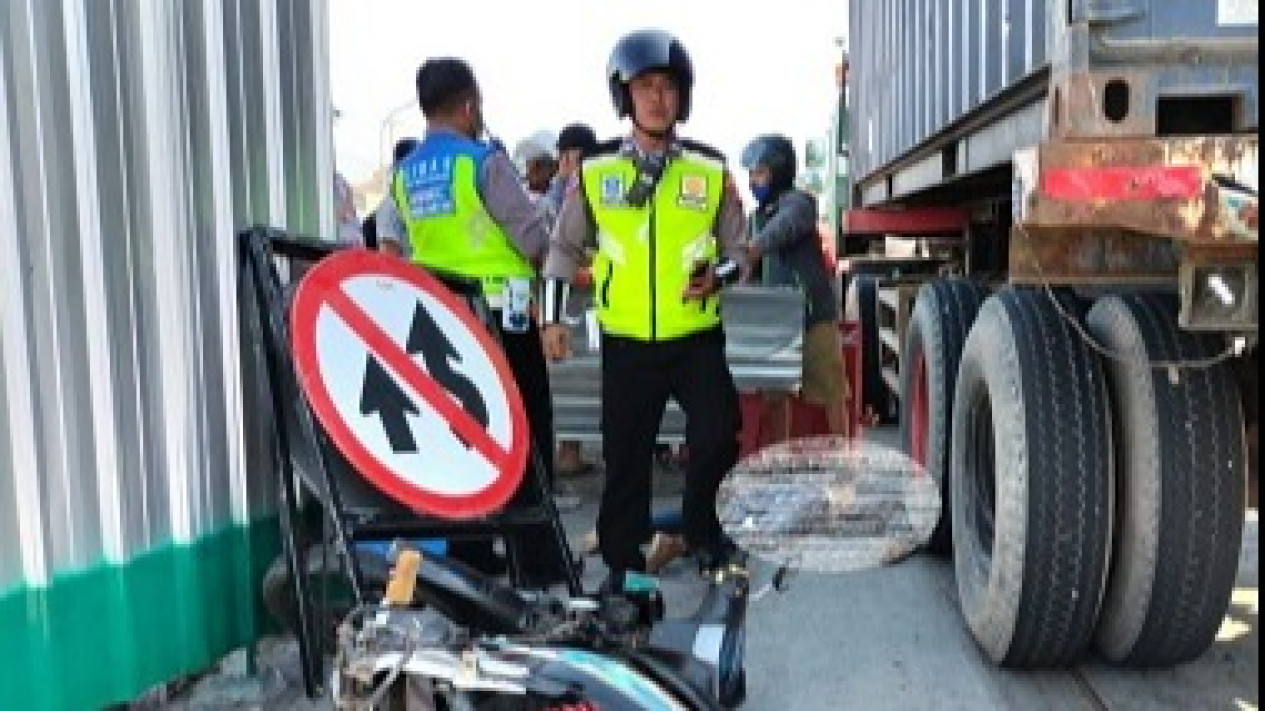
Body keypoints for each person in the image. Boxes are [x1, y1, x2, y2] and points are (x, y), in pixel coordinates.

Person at [540, 29, 749, 593]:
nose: (658, 98)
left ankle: (704, 534)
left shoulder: (709, 171)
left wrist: (718, 277)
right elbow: (562, 249)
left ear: (684, 96)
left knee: (717, 435)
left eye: (669, 87)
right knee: (625, 456)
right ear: (624, 96)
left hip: (695, 338)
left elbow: (739, 253)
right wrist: (552, 318)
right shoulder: (596, 173)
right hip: (628, 341)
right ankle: (622, 560)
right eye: (646, 86)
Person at [376, 57, 568, 587]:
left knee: (462, 438)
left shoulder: (404, 174)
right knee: (525, 432)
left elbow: (393, 247)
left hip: (439, 322)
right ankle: (537, 561)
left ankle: (470, 554)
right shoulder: (484, 162)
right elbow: (531, 239)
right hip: (502, 318)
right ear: (468, 105)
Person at [741, 134, 850, 437]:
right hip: (777, 322)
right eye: (751, 174)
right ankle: (780, 460)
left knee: (831, 392)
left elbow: (787, 226)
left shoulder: (799, 203)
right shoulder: (756, 218)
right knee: (774, 398)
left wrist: (755, 247)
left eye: (760, 173)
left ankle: (841, 459)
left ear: (779, 172)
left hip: (813, 316)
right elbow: (752, 270)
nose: (754, 181)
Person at [547, 122, 602, 478]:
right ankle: (568, 452)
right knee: (573, 376)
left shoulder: (577, 190)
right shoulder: (562, 194)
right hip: (570, 296)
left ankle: (570, 451)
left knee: (577, 377)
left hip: (579, 296)